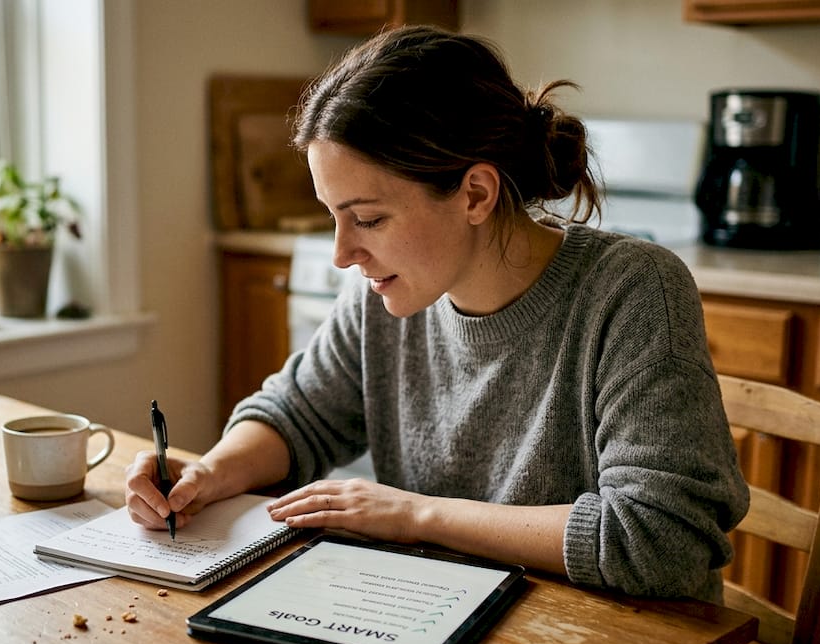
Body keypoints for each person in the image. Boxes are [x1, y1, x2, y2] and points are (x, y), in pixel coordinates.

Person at [126, 25, 749, 602]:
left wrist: (415, 515)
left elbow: (664, 538)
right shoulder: (387, 293)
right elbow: (296, 416)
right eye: (334, 216)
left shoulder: (632, 292)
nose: (343, 253)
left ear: (475, 193)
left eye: (368, 218)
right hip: (443, 617)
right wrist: (211, 471)